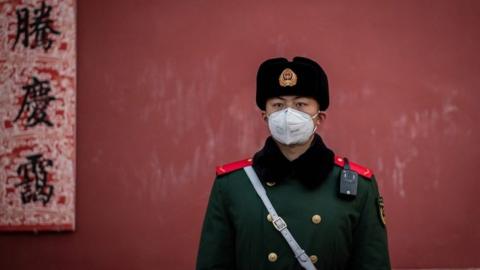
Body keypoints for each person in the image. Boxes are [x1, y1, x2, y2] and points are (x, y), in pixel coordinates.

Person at [196, 56, 391, 270]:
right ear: (265, 116)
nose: (288, 114)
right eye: (278, 105)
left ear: (319, 117)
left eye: (300, 104)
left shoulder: (359, 186)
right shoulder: (232, 184)